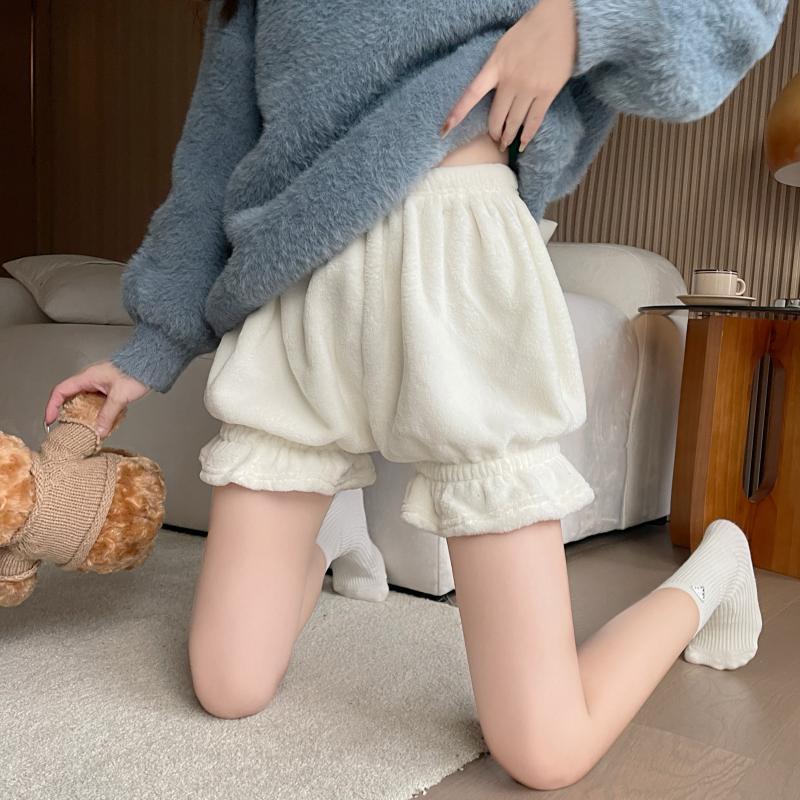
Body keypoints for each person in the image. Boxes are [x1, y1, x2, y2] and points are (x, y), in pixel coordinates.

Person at [43, 0, 782, 789]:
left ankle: (715, 572)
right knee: (228, 687)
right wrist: (152, 346)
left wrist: (580, 19)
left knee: (545, 751)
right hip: (292, 289)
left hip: (455, 259)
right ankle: (332, 532)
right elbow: (212, 158)